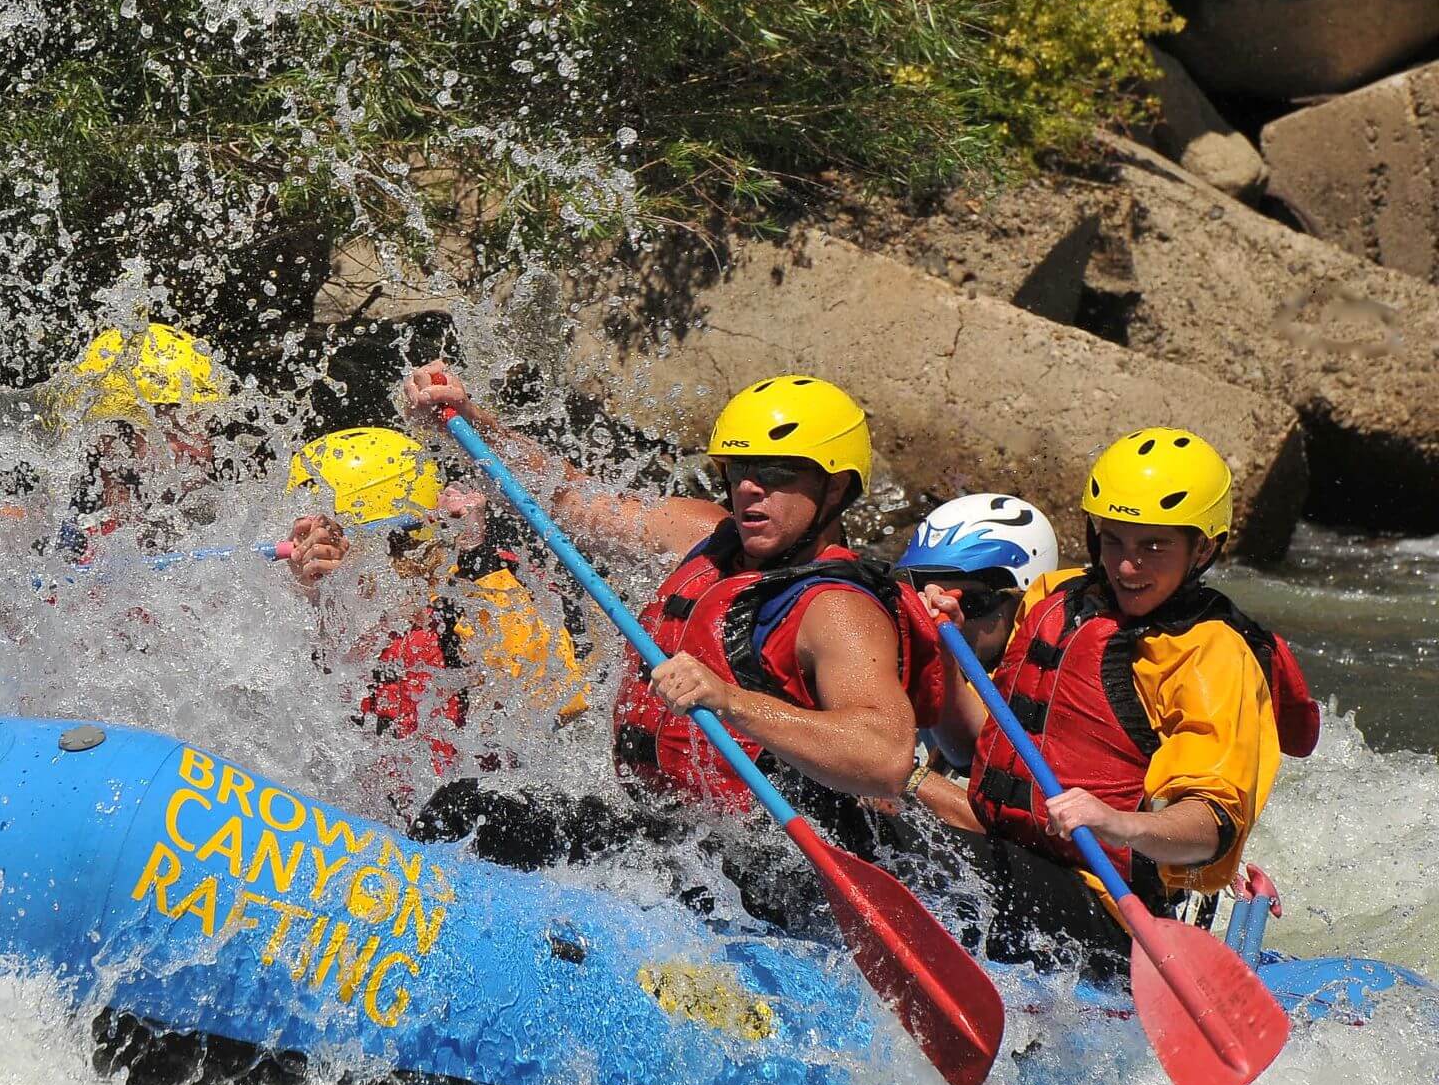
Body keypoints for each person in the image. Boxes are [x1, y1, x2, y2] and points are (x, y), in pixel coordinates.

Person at [399, 363, 945, 852]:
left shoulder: (838, 610)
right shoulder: (703, 533)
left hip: (762, 859)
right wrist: (468, 418)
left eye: (777, 472)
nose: (751, 488)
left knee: (469, 811)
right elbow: (566, 496)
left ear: (836, 489)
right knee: (473, 802)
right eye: (738, 469)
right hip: (664, 831)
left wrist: (731, 701)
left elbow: (886, 758)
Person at [915, 429, 1318, 971]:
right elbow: (970, 750)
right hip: (1007, 850)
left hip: (1107, 909)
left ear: (1202, 548)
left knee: (895, 847)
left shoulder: (1211, 655)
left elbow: (1208, 828)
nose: (1128, 567)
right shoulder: (1054, 598)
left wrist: (1115, 822)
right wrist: (947, 647)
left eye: (1153, 545)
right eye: (1114, 541)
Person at [281, 426, 588, 818]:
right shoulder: (327, 603)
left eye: (326, 538)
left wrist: (479, 558)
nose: (307, 549)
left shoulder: (472, 592)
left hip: (456, 829)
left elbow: (555, 700)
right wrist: (309, 593)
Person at [0, 321, 231, 580]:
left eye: (200, 425)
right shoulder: (51, 525)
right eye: (170, 428)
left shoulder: (238, 522)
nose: (197, 447)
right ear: (109, 438)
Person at [886, 493, 1060, 828]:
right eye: (926, 598)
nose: (945, 616)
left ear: (1025, 603)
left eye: (971, 602)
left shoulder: (1050, 689)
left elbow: (1000, 820)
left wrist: (891, 775)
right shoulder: (897, 657)